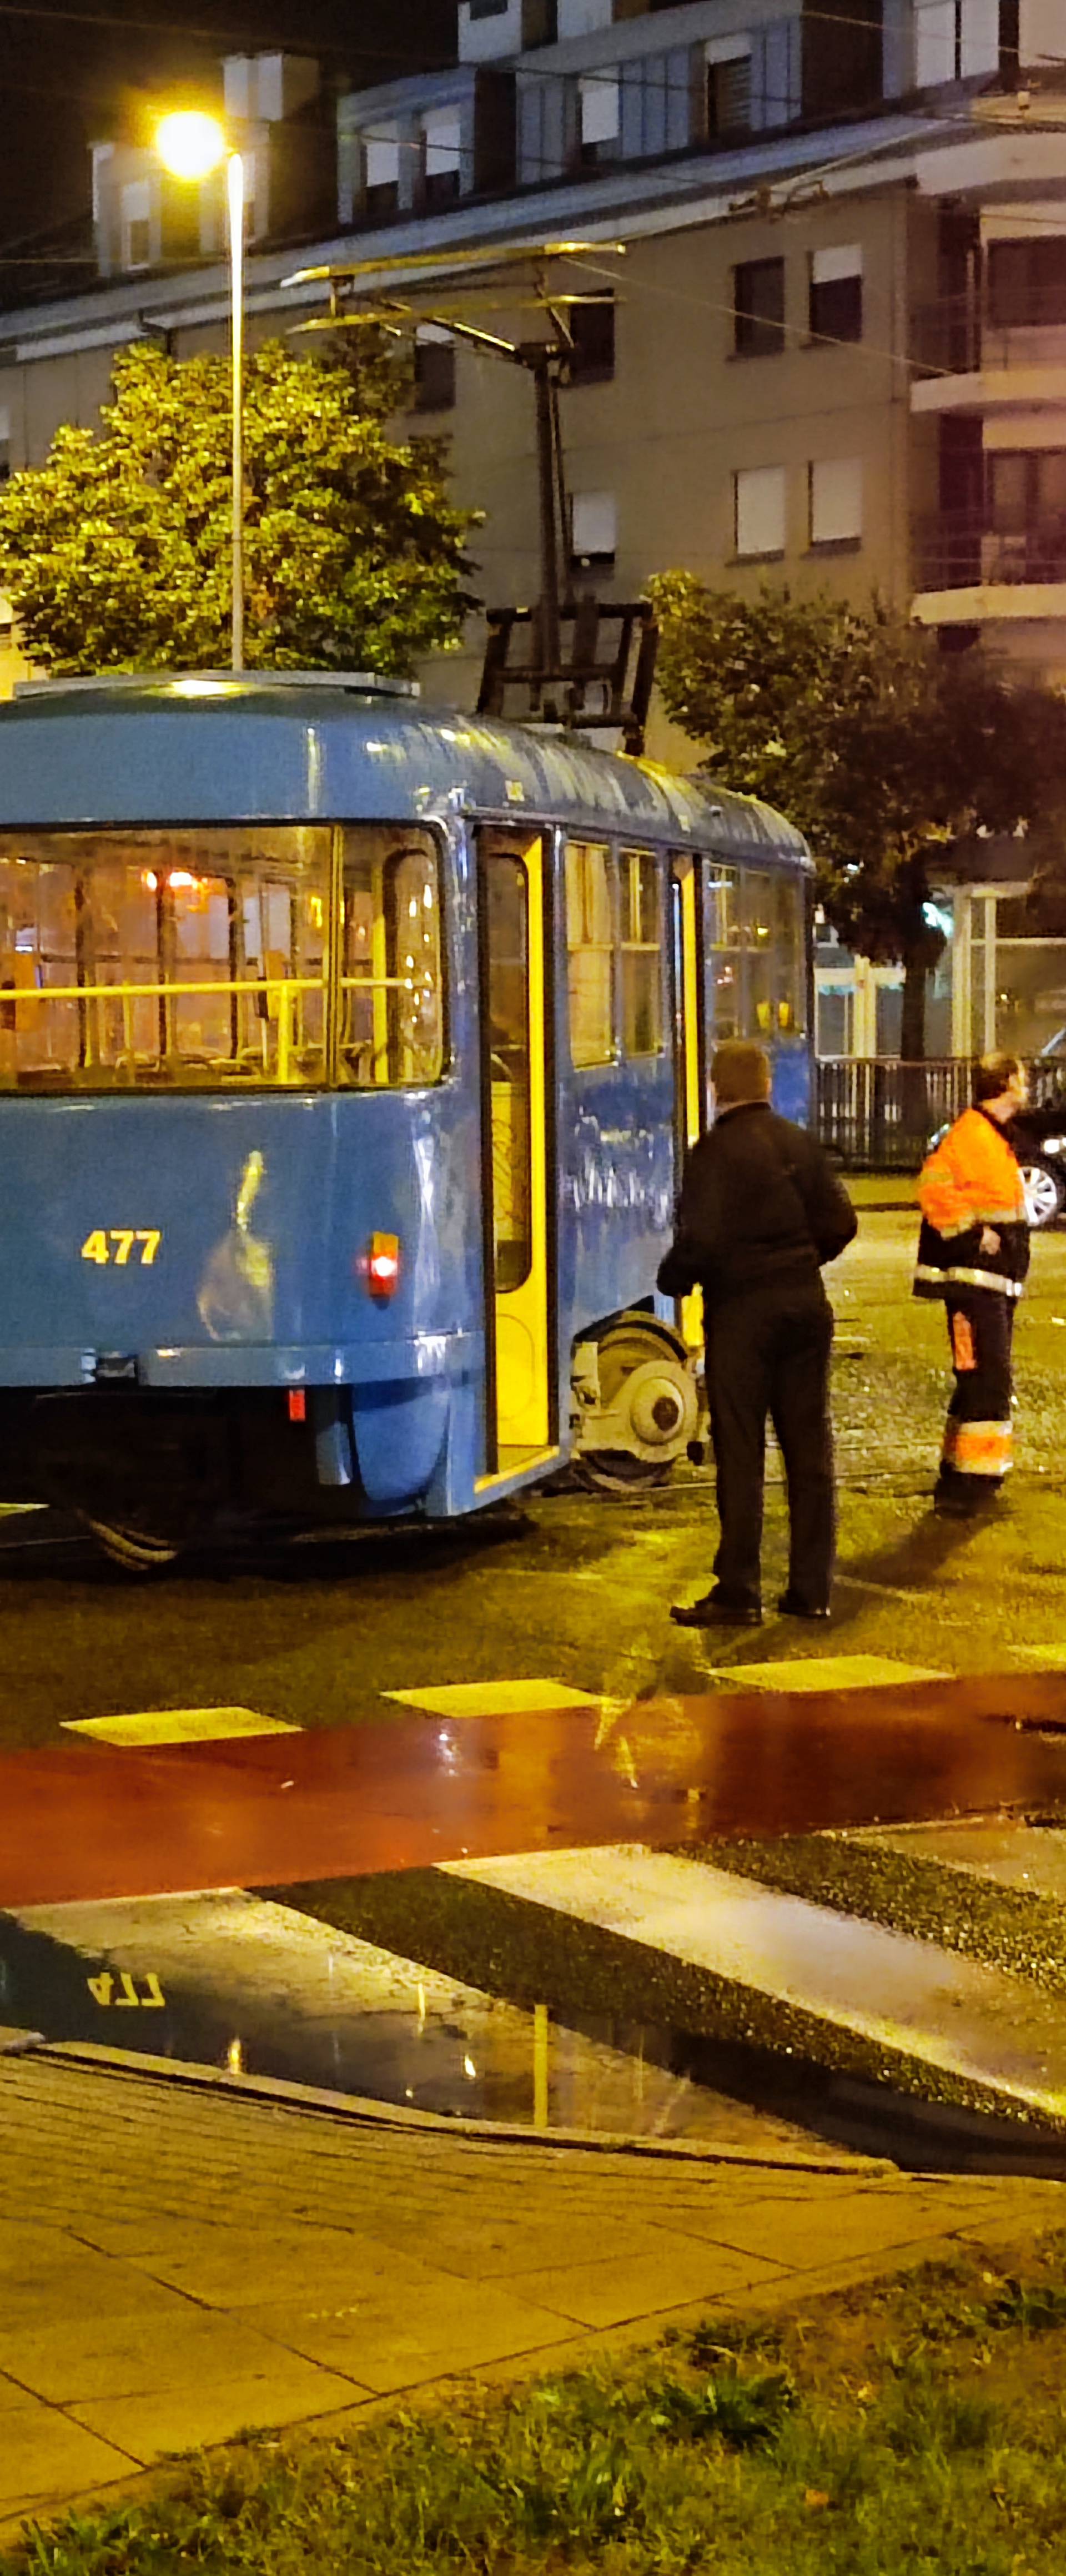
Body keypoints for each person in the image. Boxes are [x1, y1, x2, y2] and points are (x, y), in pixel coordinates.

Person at [660, 1039, 857, 1628]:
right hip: (804, 1304)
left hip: (743, 1313)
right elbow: (842, 1222)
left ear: (718, 1089)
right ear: (767, 1086)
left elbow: (704, 1241)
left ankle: (740, 1589)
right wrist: (800, 1260)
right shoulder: (799, 1144)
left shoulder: (713, 1155)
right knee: (809, 1449)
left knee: (742, 1451)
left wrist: (675, 1276)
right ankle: (811, 1589)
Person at [914, 1053, 1030, 1517]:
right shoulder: (972, 1135)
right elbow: (932, 1188)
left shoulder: (990, 1135)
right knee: (986, 1378)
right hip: (973, 1283)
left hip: (990, 1282)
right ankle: (972, 1485)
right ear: (1004, 1083)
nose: (1027, 1085)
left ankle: (964, 1475)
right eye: (1022, 1078)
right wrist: (970, 1233)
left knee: (979, 1379)